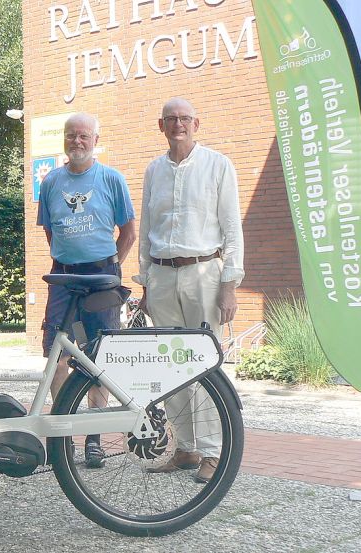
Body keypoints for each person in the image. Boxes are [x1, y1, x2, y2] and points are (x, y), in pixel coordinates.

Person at [136, 97, 245, 484]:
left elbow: (232, 228)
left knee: (204, 365)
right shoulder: (153, 170)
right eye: (170, 119)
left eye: (184, 118)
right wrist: (146, 282)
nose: (178, 124)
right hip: (164, 277)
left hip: (204, 273)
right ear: (160, 125)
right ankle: (184, 448)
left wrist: (229, 286)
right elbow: (148, 225)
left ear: (196, 123)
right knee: (170, 364)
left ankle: (213, 453)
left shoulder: (218, 165)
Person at [37, 113, 136, 469]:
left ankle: (93, 439)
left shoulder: (111, 179)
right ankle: (62, 438)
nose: (76, 142)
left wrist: (112, 268)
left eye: (83, 136)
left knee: (99, 356)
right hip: (63, 277)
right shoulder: (50, 182)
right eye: (70, 136)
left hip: (101, 275)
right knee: (57, 354)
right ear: (64, 140)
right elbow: (50, 232)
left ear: (95, 139)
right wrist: (69, 259)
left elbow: (128, 232)